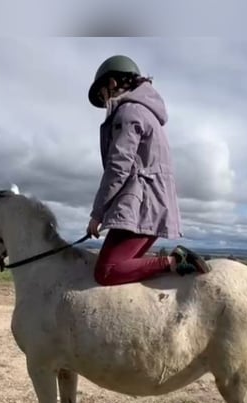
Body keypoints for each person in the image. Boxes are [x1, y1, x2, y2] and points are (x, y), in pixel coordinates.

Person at [86, 54, 210, 286]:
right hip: (154, 206)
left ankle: (174, 261)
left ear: (112, 84)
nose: (104, 103)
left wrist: (97, 213)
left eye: (103, 95)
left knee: (107, 270)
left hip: (140, 206)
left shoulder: (128, 113)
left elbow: (118, 167)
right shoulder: (146, 114)